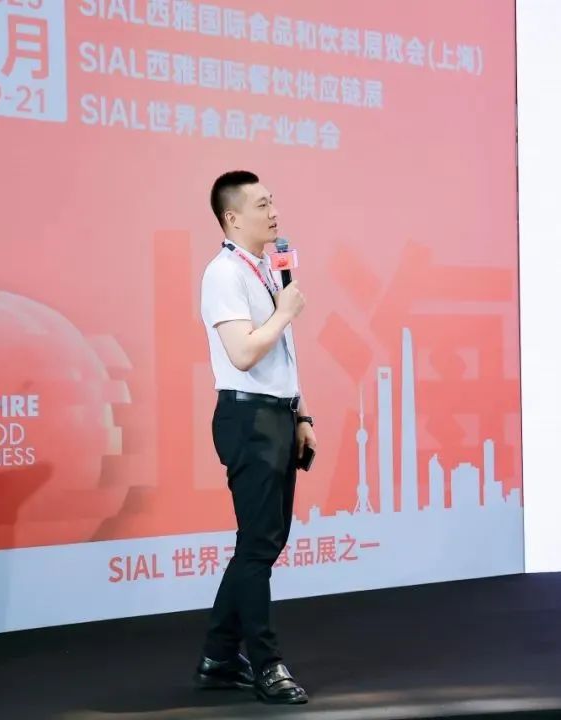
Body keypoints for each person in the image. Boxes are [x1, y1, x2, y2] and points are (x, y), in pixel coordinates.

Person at [193, 170, 315, 705]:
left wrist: (302, 415)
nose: (274, 212)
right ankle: (267, 664)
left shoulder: (266, 267)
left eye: (273, 201)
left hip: (278, 416)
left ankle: (219, 657)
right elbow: (243, 353)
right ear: (232, 217)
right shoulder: (223, 273)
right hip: (248, 419)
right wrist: (284, 313)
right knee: (259, 545)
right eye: (262, 204)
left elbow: (282, 353)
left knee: (262, 542)